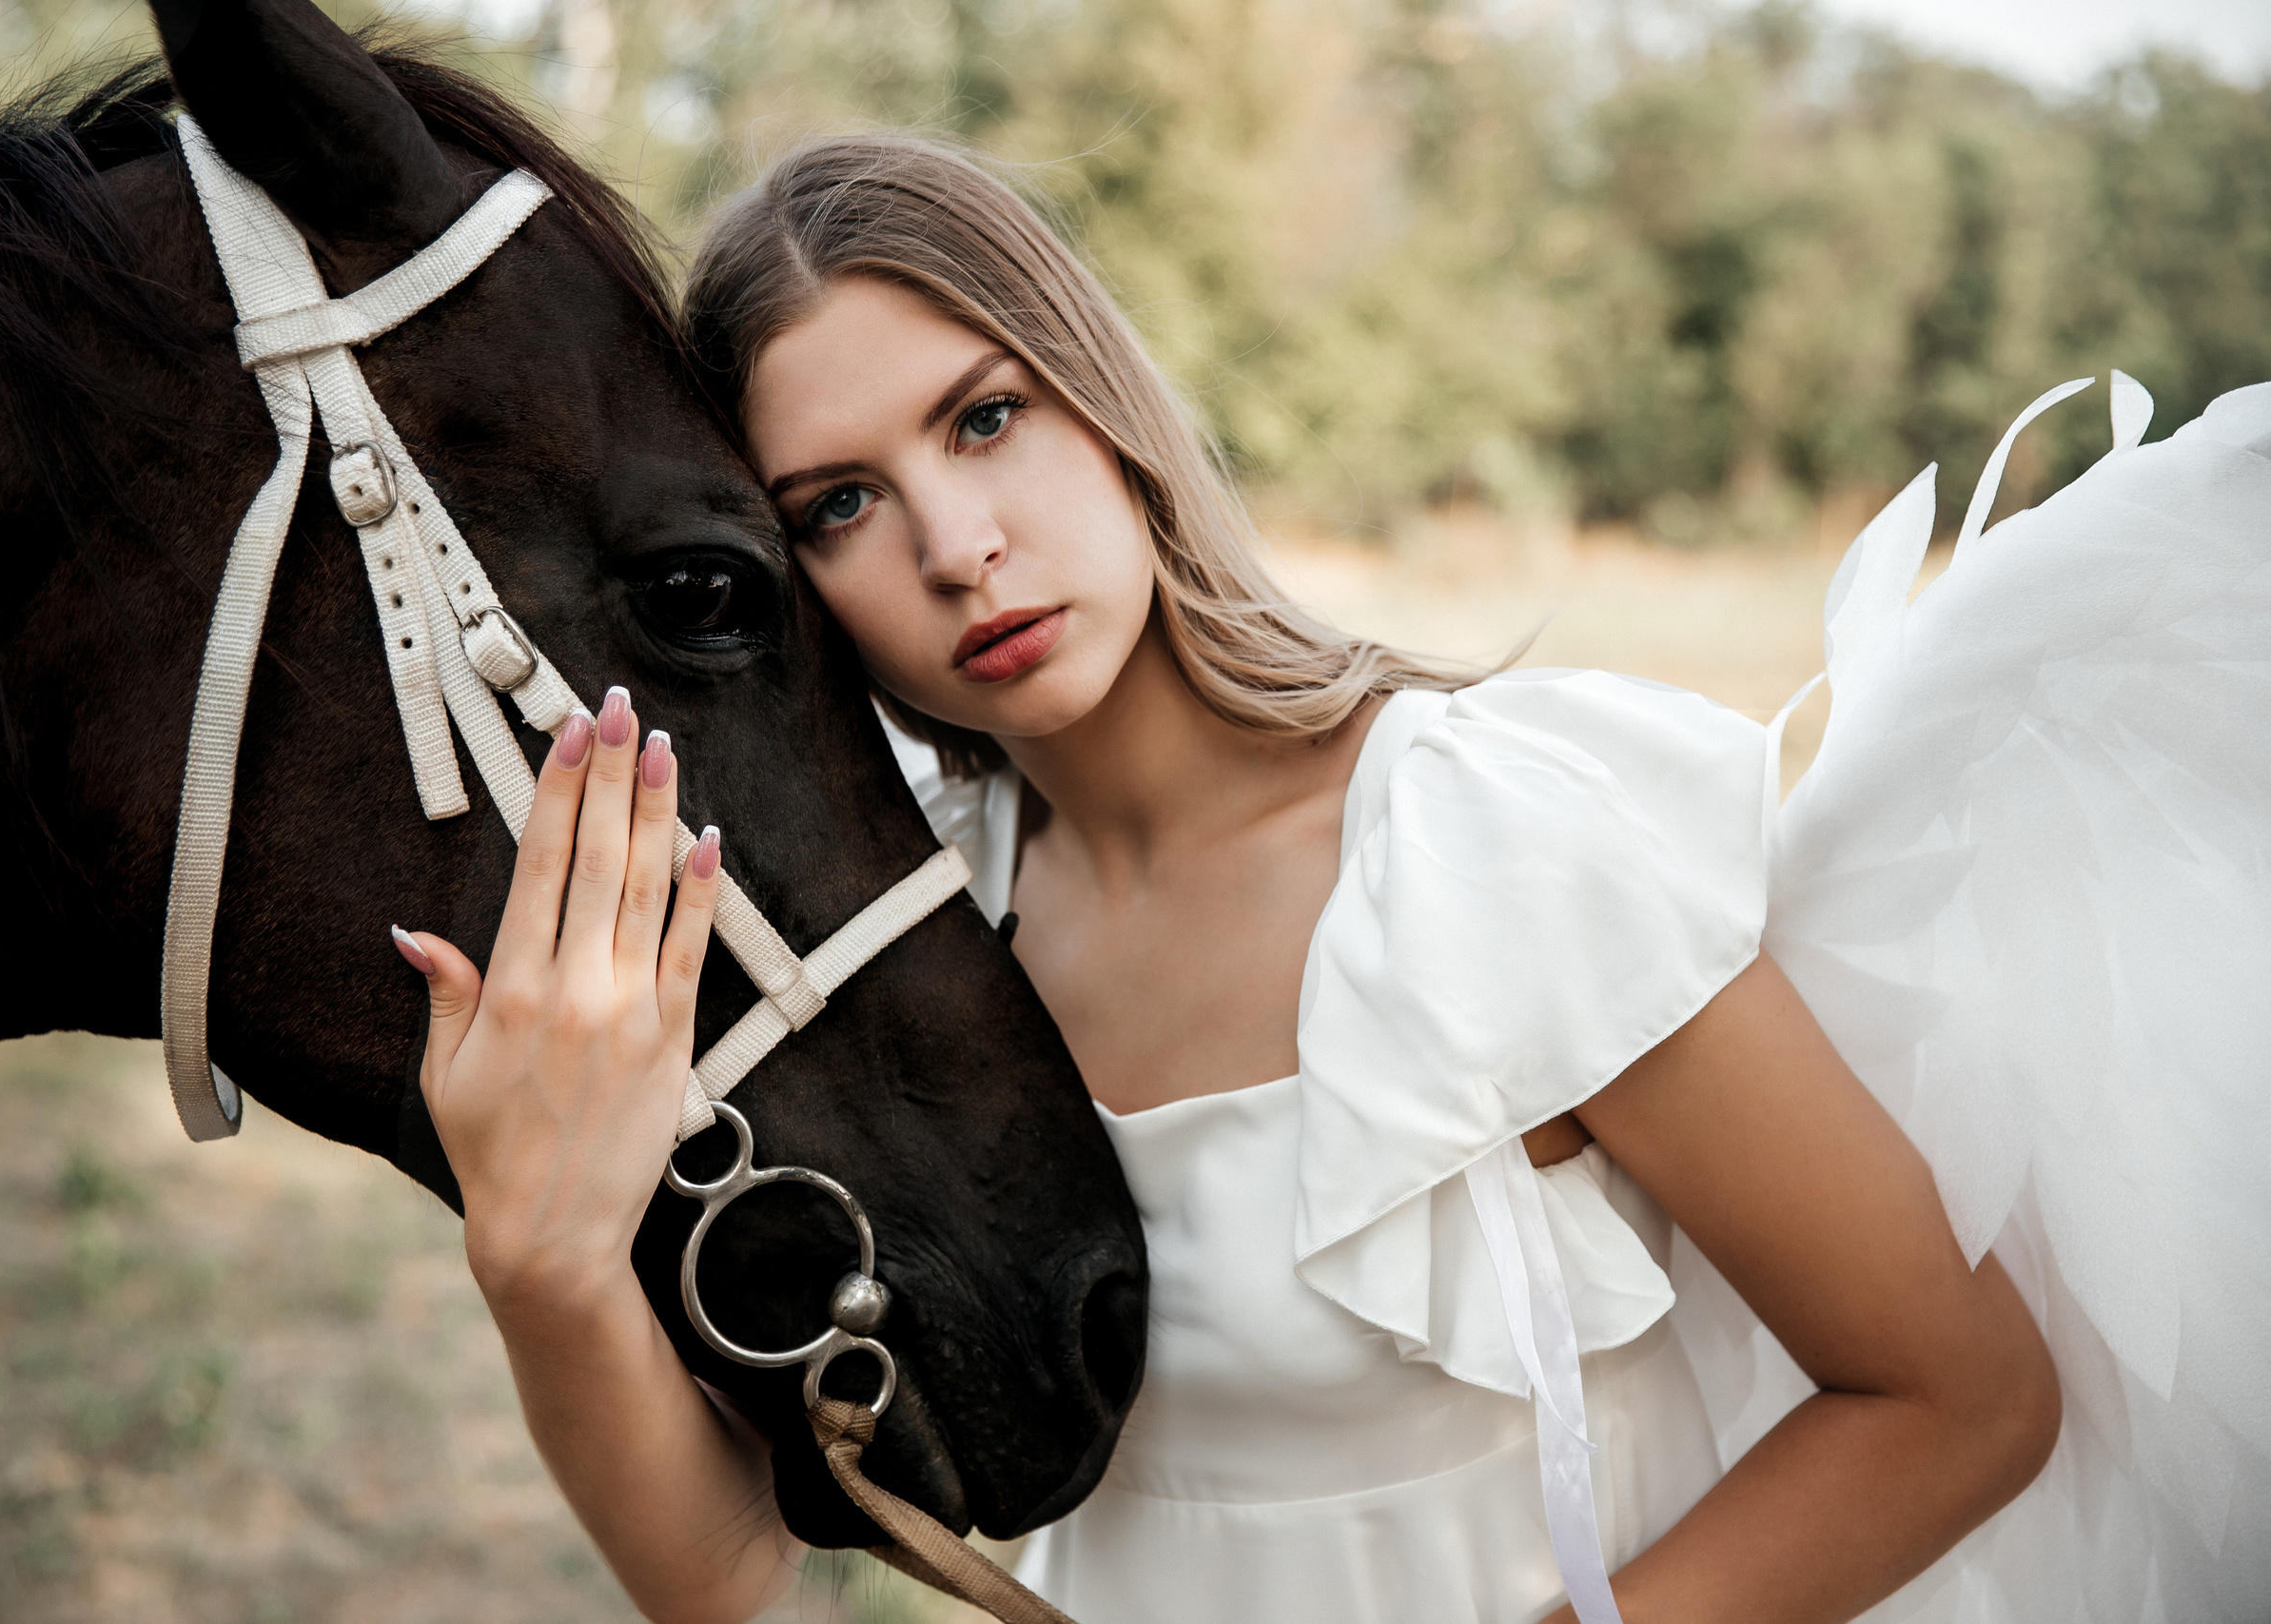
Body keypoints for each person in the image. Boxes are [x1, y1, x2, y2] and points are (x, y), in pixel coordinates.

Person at [390, 135, 2268, 1624]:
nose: (959, 545)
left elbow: (1951, 1395)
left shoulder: (1482, 844)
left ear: (1103, 404)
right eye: (838, 505)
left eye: (983, 417)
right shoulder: (914, 953)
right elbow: (727, 1577)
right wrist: (545, 1258)